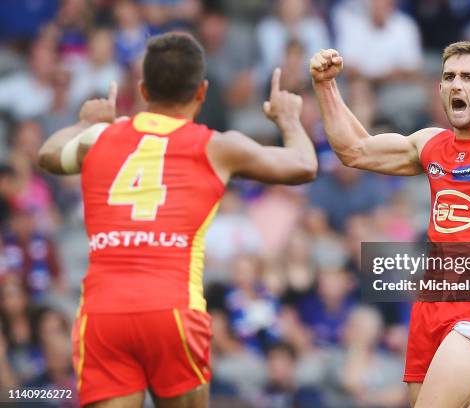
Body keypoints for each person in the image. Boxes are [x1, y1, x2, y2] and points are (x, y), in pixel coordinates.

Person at [38, 32, 317, 408]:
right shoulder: (217, 146)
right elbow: (303, 165)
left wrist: (84, 123)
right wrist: (289, 119)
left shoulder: (100, 139)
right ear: (201, 92)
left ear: (143, 89)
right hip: (172, 310)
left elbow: (49, 154)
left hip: (104, 313)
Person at [309, 41, 470, 407]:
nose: (456, 84)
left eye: (469, 77)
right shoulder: (430, 143)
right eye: (449, 77)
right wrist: (325, 86)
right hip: (429, 306)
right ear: (440, 89)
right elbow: (354, 150)